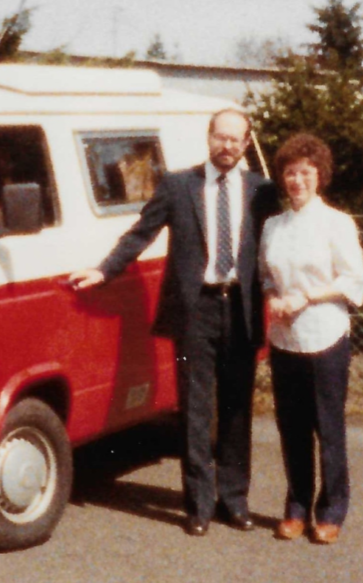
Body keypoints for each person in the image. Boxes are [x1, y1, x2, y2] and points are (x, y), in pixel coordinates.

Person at [69, 109, 278, 536]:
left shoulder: (262, 191)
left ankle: (234, 501)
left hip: (239, 308)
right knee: (195, 409)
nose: (228, 146)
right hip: (194, 310)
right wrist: (104, 270)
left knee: (237, 409)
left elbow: (285, 241)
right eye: (221, 137)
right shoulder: (179, 185)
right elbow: (140, 232)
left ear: (246, 143)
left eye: (237, 140)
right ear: (209, 137)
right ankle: (198, 505)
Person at [259, 133, 363, 544]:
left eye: (305, 172)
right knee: (292, 426)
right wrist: (274, 299)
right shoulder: (273, 225)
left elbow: (354, 277)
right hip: (285, 338)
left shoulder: (336, 222)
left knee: (328, 427)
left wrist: (306, 296)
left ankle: (332, 509)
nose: (297, 180)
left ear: (319, 176)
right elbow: (266, 276)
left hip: (325, 335)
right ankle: (296, 506)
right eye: (290, 172)